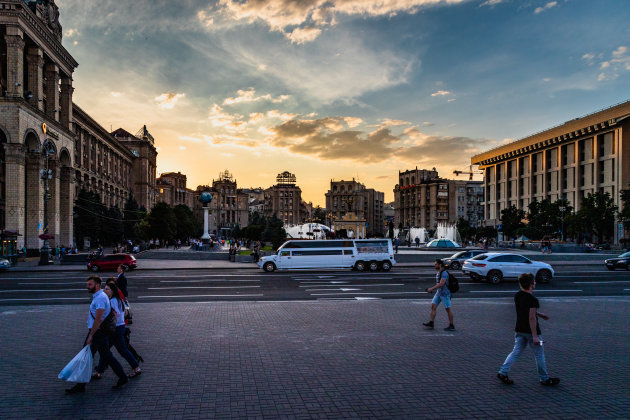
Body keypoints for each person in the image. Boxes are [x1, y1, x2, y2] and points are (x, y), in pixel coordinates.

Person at [65, 276, 128, 394]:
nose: (87, 286)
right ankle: (123, 377)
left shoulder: (100, 298)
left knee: (86, 357)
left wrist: (91, 335)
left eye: (90, 284)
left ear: (97, 285)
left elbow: (98, 319)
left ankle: (80, 386)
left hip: (97, 332)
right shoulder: (101, 296)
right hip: (100, 332)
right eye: (87, 284)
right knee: (107, 356)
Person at [497, 273, 560, 386]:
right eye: (534, 282)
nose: (535, 283)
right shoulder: (532, 299)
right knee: (539, 354)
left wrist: (539, 314)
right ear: (531, 284)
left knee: (515, 352)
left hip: (519, 329)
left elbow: (525, 311)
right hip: (531, 332)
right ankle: (544, 378)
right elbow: (531, 317)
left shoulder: (518, 295)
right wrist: (535, 336)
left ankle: (503, 372)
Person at [92, 281, 141, 379]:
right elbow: (125, 312)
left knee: (116, 350)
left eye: (107, 289)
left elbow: (116, 313)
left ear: (112, 291)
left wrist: (106, 323)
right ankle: (99, 371)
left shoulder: (113, 301)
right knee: (108, 350)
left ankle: (136, 368)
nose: (104, 291)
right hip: (119, 327)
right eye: (104, 289)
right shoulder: (119, 300)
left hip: (115, 329)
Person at [423, 259, 455, 331]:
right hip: (439, 293)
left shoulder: (444, 273)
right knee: (433, 306)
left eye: (435, 264)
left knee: (448, 309)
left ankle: (451, 325)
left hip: (445, 294)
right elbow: (439, 284)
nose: (434, 266)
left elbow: (442, 284)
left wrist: (431, 289)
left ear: (440, 265)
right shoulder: (438, 273)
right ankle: (431, 323)